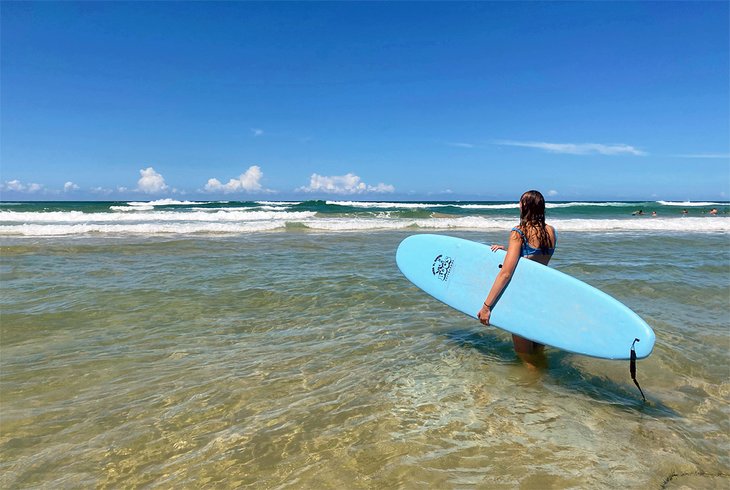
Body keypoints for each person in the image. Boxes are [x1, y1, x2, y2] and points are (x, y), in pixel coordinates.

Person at [477, 190, 557, 368]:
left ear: (526, 206)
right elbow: (533, 259)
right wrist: (508, 251)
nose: (518, 205)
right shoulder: (551, 231)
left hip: (523, 297)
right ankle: (544, 387)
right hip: (542, 296)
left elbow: (506, 273)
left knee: (525, 357)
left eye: (521, 203)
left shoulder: (518, 232)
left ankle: (532, 392)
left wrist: (486, 306)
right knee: (538, 351)